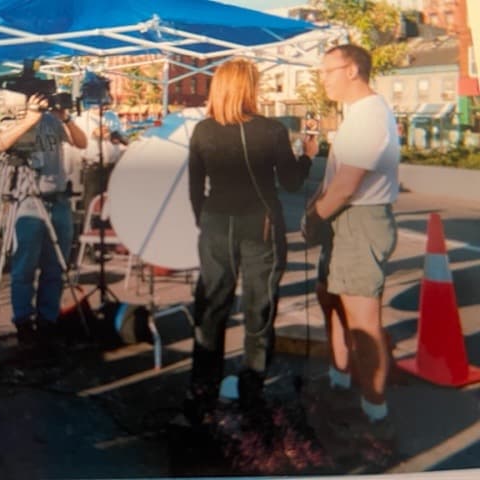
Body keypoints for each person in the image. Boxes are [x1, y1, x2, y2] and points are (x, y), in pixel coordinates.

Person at [185, 58, 318, 422]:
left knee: (212, 307)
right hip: (260, 223)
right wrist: (307, 157)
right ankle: (251, 389)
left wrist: (204, 220)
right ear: (248, 88)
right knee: (259, 308)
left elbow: (195, 187)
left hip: (215, 222)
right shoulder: (271, 130)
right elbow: (291, 182)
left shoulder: (202, 131)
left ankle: (202, 390)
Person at [302, 44, 399, 443]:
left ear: (354, 70)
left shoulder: (370, 117)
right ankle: (339, 380)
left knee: (362, 322)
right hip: (345, 222)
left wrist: (314, 217)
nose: (323, 78)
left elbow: (346, 186)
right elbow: (336, 179)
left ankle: (374, 411)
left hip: (359, 221)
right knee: (332, 301)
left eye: (329, 70)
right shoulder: (357, 115)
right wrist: (320, 206)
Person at [0, 92, 87, 346]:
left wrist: (66, 119)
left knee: (55, 267)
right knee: (24, 267)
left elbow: (82, 143)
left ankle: (48, 320)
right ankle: (23, 322)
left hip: (59, 201)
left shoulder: (54, 121)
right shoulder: (13, 118)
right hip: (29, 202)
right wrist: (30, 119)